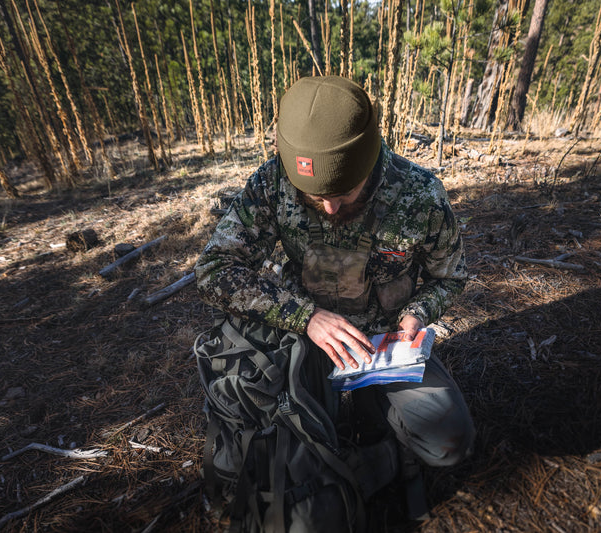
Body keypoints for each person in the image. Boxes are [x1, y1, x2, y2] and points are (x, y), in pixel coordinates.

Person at [194, 75, 474, 504]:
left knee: (448, 441)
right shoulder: (272, 183)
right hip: (303, 343)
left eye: (344, 192)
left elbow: (450, 277)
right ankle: (347, 471)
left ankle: (360, 454)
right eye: (312, 195)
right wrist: (304, 318)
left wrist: (416, 315)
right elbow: (214, 269)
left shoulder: (419, 195)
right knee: (274, 452)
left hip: (383, 349)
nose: (329, 208)